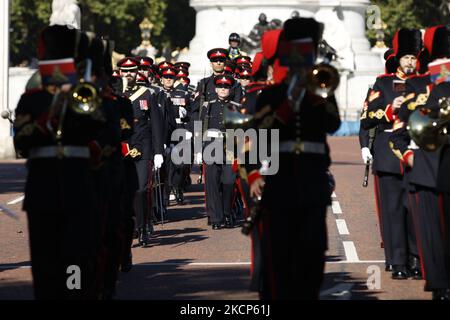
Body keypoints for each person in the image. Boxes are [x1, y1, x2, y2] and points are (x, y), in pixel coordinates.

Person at [244, 18, 341, 299]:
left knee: (312, 257)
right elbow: (256, 138)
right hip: (280, 185)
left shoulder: (320, 88)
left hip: (312, 185)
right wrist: (253, 174)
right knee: (280, 260)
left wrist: (313, 95)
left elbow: (332, 124)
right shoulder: (271, 96)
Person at [13, 24, 104, 299]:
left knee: (76, 257)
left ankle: (73, 294)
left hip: (78, 185)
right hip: (42, 188)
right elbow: (21, 145)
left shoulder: (84, 95)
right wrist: (45, 120)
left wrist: (74, 102)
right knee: (44, 260)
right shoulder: (31, 100)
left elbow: (99, 132)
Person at [389, 25, 450, 299]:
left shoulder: (416, 86)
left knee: (433, 233)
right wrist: (411, 156)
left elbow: (397, 133)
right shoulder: (416, 85)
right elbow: (399, 134)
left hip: (426, 170)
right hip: (427, 168)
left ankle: (439, 285)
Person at [360, 28, 423, 279]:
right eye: (406, 57)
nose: (409, 62)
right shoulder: (382, 83)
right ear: (398, 58)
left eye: (413, 57)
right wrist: (388, 110)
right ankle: (397, 262)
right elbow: (366, 117)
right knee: (394, 210)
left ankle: (417, 258)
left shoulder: (423, 83)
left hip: (416, 153)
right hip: (388, 155)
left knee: (415, 210)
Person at [118, 57, 164, 247]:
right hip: (120, 148)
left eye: (132, 71)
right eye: (125, 71)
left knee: (141, 189)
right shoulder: (114, 94)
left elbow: (156, 124)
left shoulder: (147, 94)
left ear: (138, 72)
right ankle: (128, 227)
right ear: (119, 72)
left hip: (143, 146)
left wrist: (159, 151)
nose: (128, 74)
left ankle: (143, 226)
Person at [195, 75, 241, 229]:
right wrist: (197, 150)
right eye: (220, 86)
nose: (223, 89)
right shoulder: (207, 105)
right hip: (210, 146)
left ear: (230, 89)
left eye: (226, 87)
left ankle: (227, 212)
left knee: (228, 181)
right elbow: (200, 127)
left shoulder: (236, 107)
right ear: (215, 89)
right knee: (212, 183)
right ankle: (216, 218)